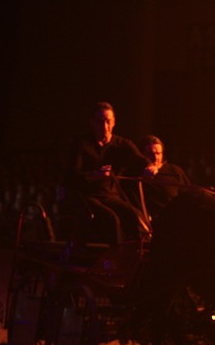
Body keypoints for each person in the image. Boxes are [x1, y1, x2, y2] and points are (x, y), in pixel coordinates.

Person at [64, 102, 154, 242]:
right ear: (92, 123)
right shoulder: (81, 144)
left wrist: (150, 167)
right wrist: (94, 175)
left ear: (114, 122)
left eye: (108, 121)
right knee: (111, 219)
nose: (105, 127)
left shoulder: (121, 144)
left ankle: (137, 256)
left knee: (136, 217)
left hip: (111, 196)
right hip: (88, 196)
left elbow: (139, 159)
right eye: (100, 122)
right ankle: (113, 259)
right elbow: (71, 176)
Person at [138, 135, 191, 215]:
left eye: (158, 153)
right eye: (150, 154)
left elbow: (188, 195)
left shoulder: (174, 170)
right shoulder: (139, 174)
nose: (155, 157)